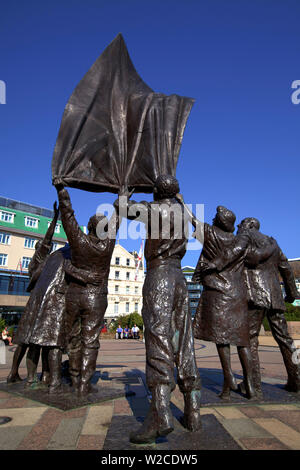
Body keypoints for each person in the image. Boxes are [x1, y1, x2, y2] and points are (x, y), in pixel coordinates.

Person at [118, 175, 202, 444]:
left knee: (158, 340)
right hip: (180, 279)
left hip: (159, 277)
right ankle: (193, 409)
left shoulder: (153, 209)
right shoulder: (182, 211)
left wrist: (124, 193)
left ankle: (161, 412)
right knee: (184, 341)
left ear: (156, 192)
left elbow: (125, 210)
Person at [177, 199, 275, 400]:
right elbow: (255, 257)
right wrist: (272, 246)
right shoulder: (241, 240)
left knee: (222, 339)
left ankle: (228, 381)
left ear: (218, 222)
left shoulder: (212, 234)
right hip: (238, 294)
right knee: (242, 340)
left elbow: (192, 220)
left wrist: (181, 201)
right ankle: (249, 383)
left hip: (218, 293)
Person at [54, 180, 128, 397]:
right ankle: (85, 383)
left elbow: (67, 216)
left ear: (88, 228)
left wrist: (62, 190)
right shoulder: (107, 245)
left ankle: (75, 377)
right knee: (91, 341)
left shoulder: (78, 241)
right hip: (96, 298)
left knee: (72, 337)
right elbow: (118, 218)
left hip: (75, 295)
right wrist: (122, 198)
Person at [236, 217, 300, 395]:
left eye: (240, 224)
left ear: (249, 226)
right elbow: (286, 267)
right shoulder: (272, 242)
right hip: (275, 297)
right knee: (284, 338)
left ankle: (254, 384)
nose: (237, 227)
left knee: (249, 339)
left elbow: (246, 261)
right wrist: (292, 293)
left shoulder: (245, 239)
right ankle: (296, 380)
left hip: (255, 296)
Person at [7, 202, 60, 385]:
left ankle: (16, 373)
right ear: (40, 248)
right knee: (32, 342)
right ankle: (28, 377)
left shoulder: (43, 261)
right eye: (47, 245)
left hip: (35, 302)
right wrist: (54, 219)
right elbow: (48, 238)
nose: (49, 246)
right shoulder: (41, 258)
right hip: (37, 303)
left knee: (26, 341)